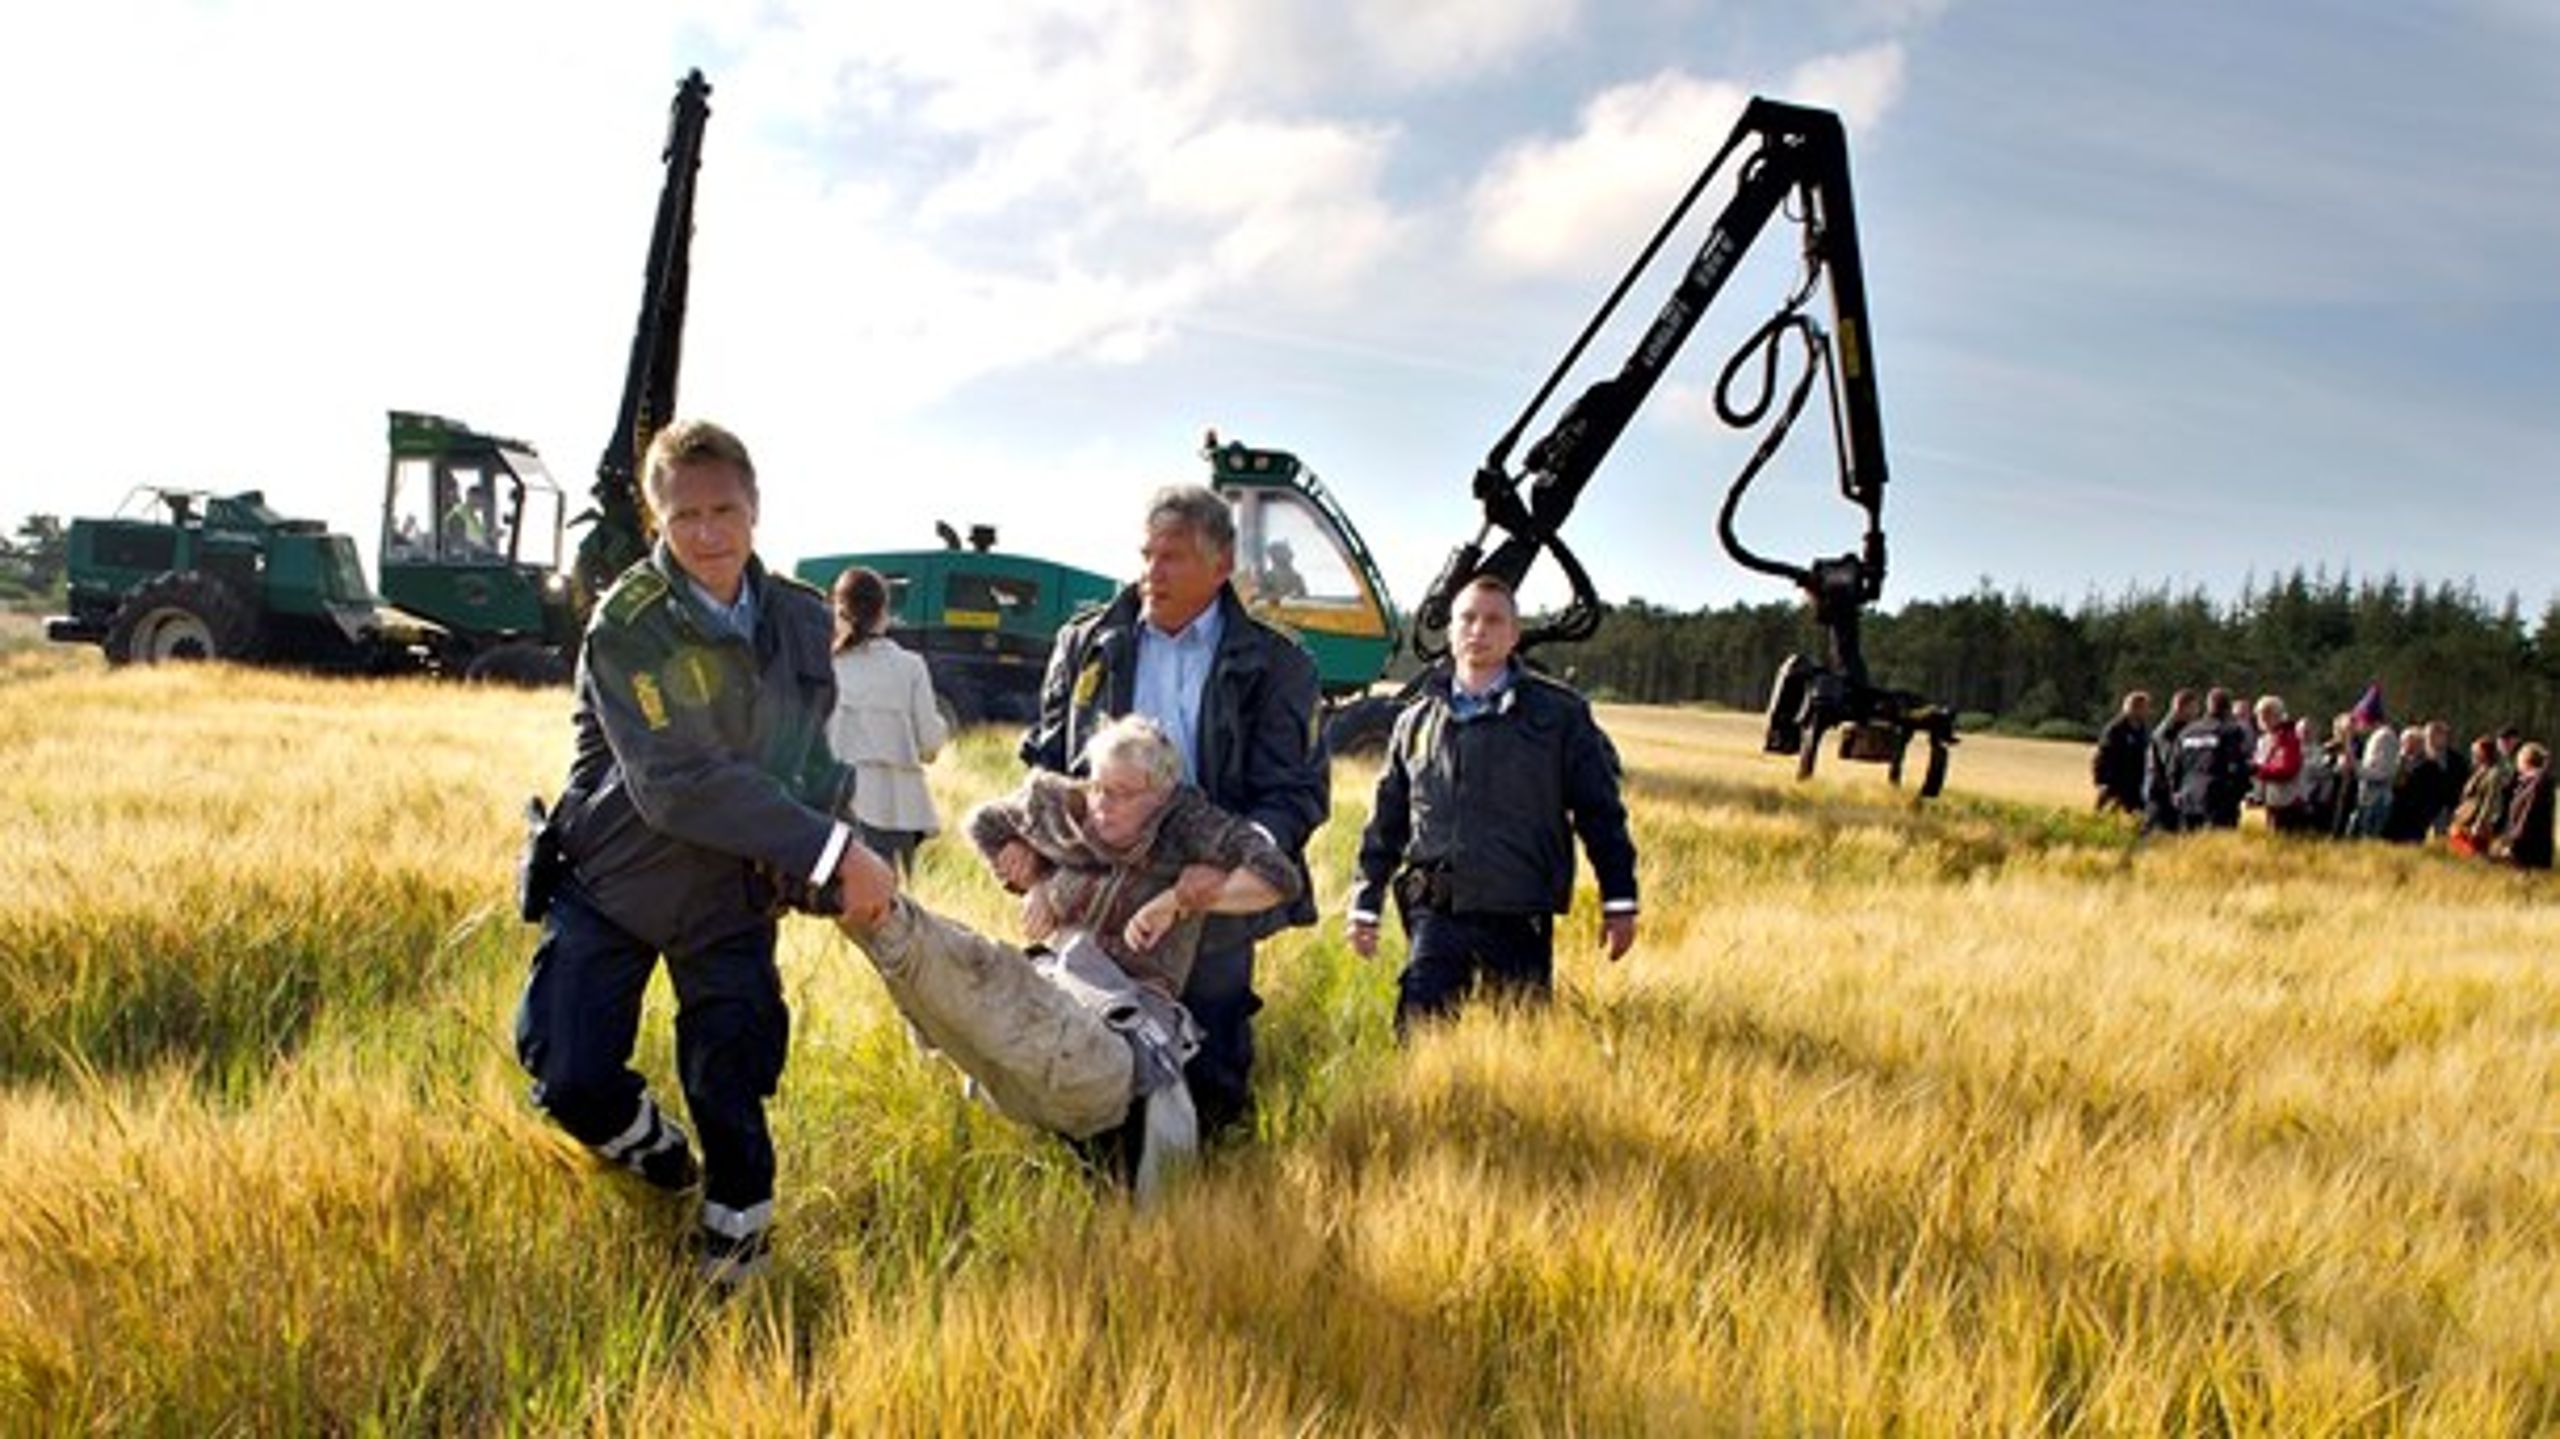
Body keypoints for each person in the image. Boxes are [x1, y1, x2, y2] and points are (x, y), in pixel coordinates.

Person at [512, 419, 900, 1289]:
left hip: (731, 895)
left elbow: (809, 757)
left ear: (755, 507)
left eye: (725, 509)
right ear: (658, 523)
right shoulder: (629, 624)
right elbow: (678, 783)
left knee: (733, 1082)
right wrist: (836, 850)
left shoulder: (802, 618)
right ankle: (655, 1154)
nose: (709, 532)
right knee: (568, 1071)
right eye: (685, 515)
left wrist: (823, 866)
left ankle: (737, 1263)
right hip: (617, 880)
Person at [839, 716, 1299, 1194]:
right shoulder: (1062, 805)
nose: (1102, 805)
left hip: (1128, 1010)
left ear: (1161, 793)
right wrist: (1031, 872)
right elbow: (984, 822)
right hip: (1049, 977)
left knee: (1071, 1054)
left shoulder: (1191, 824)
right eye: (1098, 786)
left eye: (1122, 793)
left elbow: (1278, 877)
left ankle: (888, 927)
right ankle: (879, 920)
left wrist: (1180, 901)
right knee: (980, 971)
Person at [1020, 485, 1329, 1138]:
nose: (1151, 572)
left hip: (1207, 882)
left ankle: (1210, 1189)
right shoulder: (1087, 645)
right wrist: (1040, 860)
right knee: (1086, 1034)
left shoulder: (1277, 664)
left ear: (1221, 568)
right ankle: (1103, 1181)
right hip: (1097, 881)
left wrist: (1236, 862)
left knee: (1209, 1043)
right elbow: (1047, 762)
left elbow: (1294, 790)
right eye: (1146, 553)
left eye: (1174, 557)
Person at [1347, 574, 1638, 1034]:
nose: (1478, 630)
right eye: (1467, 618)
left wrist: (1619, 899)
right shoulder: (1415, 722)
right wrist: (1366, 901)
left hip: (1520, 913)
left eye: (1493, 620)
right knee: (1419, 1040)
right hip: (1438, 914)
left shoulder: (1560, 716)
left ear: (1514, 634)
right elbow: (1387, 822)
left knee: (1521, 1047)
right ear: (1450, 630)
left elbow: (1600, 814)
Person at [827, 566, 948, 874]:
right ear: (885, 611)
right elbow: (930, 745)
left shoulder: (825, 667)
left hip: (838, 805)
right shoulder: (910, 667)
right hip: (900, 810)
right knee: (896, 911)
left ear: (838, 610)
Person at [2143, 688, 2201, 834]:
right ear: (2184, 707)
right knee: (2161, 835)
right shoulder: (2168, 731)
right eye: (2194, 708)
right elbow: (2169, 762)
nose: (2196, 713)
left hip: (2167, 791)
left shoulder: (2179, 728)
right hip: (2162, 793)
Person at [2250, 694, 2309, 832]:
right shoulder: (2264, 740)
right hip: (2269, 800)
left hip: (2287, 801)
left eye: (2263, 716)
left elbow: (2288, 769)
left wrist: (2257, 770)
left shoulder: (2288, 738)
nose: (2260, 720)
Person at [2090, 690, 2152, 814]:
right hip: (2114, 786)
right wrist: (2101, 781)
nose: (2147, 712)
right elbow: (2101, 757)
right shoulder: (2115, 730)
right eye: (2144, 708)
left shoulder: (2143, 730)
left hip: (2135, 787)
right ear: (2134, 708)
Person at [2494, 741, 2553, 870]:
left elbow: (2527, 816)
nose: (2517, 763)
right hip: (2526, 846)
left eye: (2518, 759)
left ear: (2525, 760)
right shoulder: (2529, 782)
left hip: (2529, 848)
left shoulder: (2536, 784)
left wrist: (2513, 844)